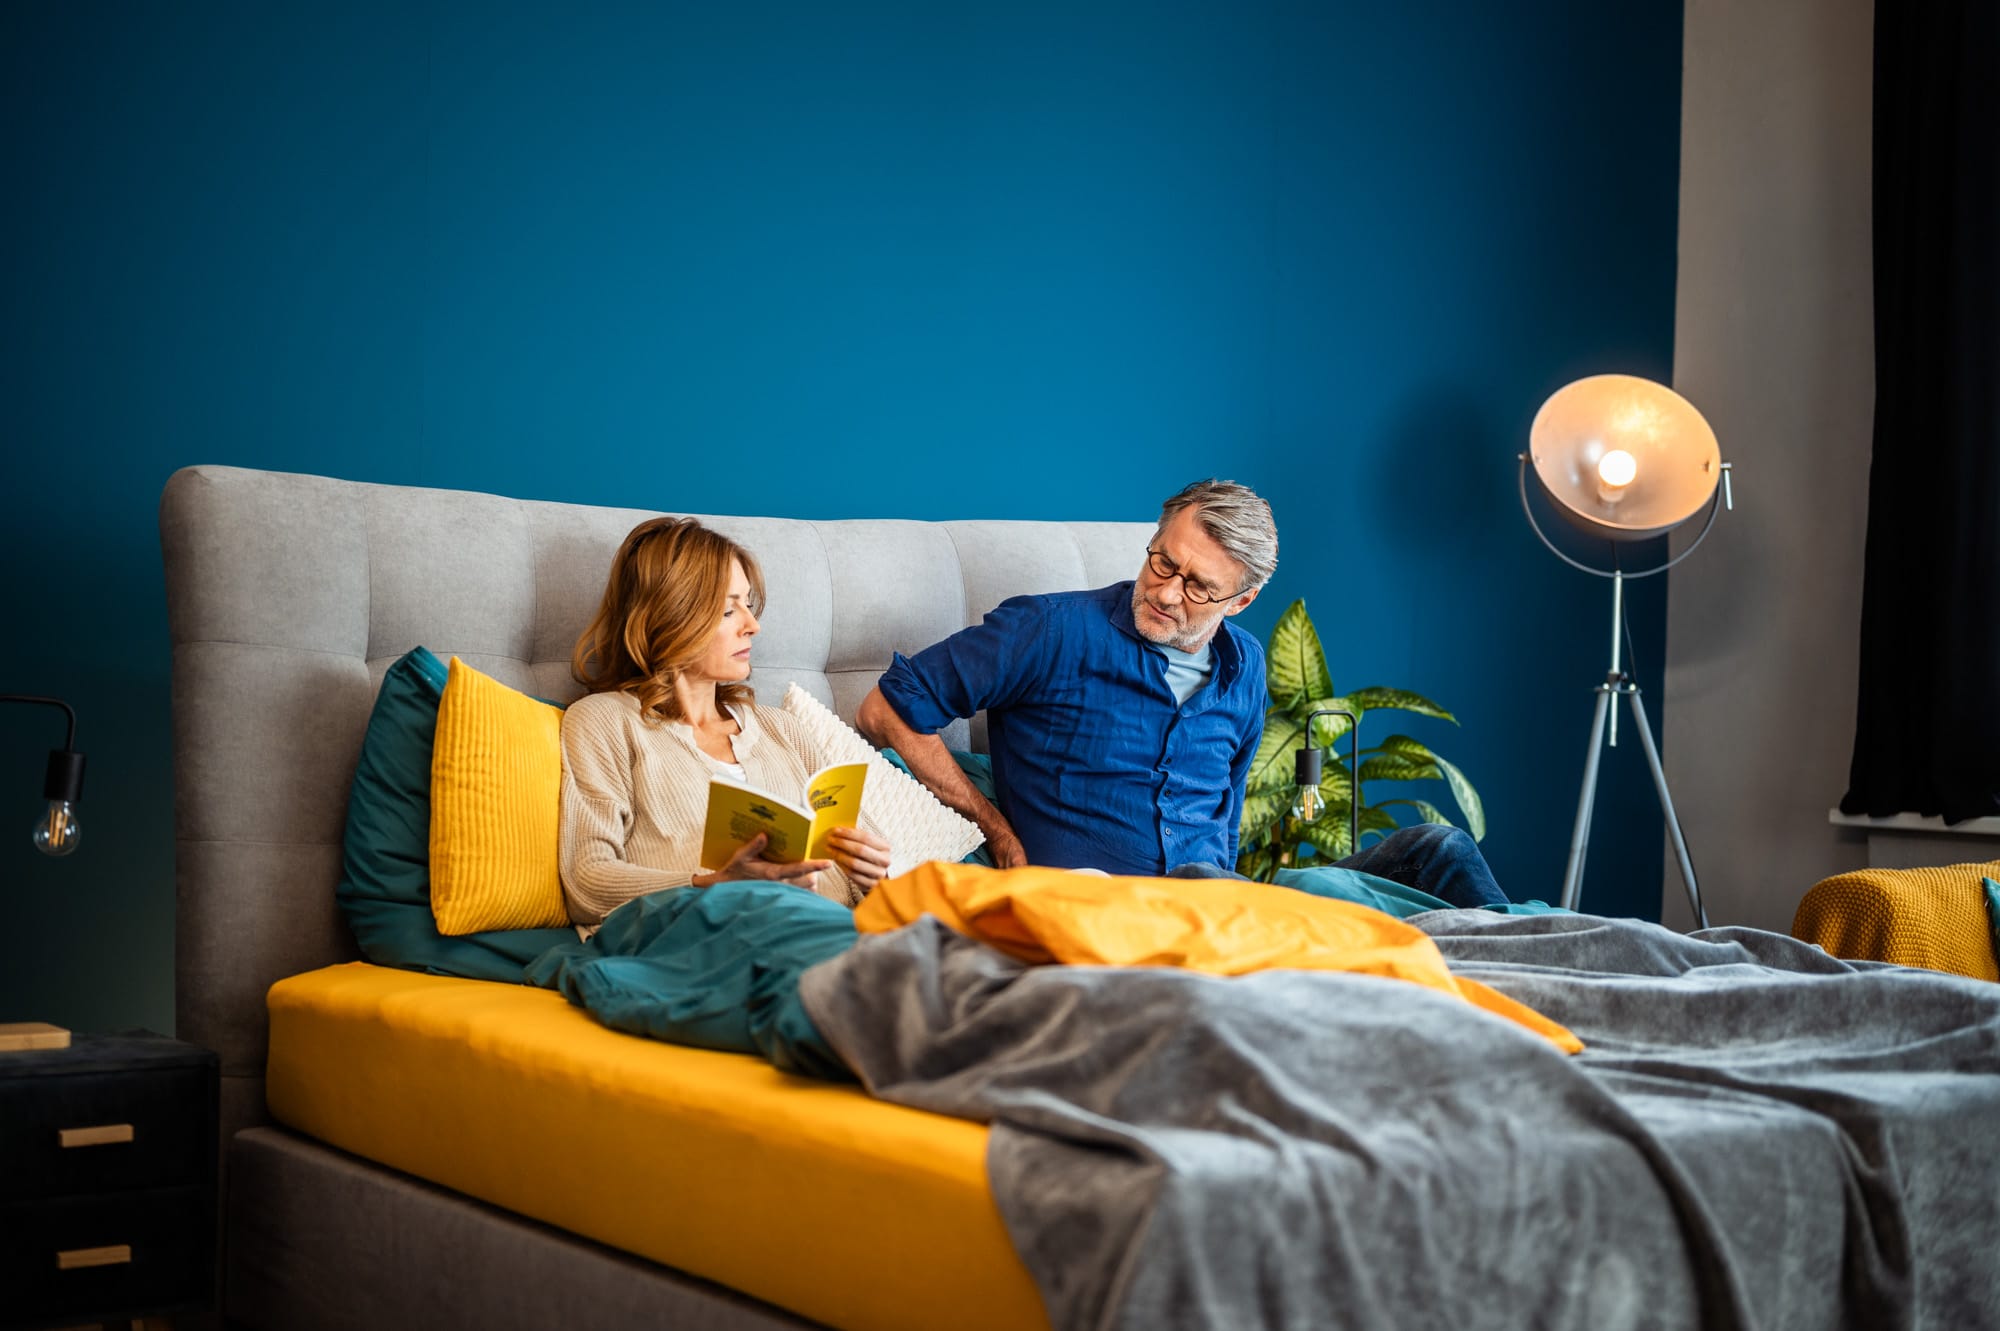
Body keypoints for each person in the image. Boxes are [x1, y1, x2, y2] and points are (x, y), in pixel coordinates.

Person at [855, 478, 1509, 908]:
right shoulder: (1047, 629)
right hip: (1120, 911)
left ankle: (1539, 974)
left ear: (1243, 599)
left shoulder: (1245, 666)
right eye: (1162, 561)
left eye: (1199, 586)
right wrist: (993, 825)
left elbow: (1223, 820)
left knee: (1440, 849)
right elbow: (885, 709)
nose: (1167, 591)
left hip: (1226, 903)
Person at [558, 517, 893, 929]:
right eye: (728, 610)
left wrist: (877, 878)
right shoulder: (604, 722)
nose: (753, 626)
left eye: (748, 607)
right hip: (708, 938)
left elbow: (878, 878)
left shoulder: (782, 729)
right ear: (671, 615)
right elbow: (587, 883)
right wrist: (711, 885)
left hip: (832, 933)